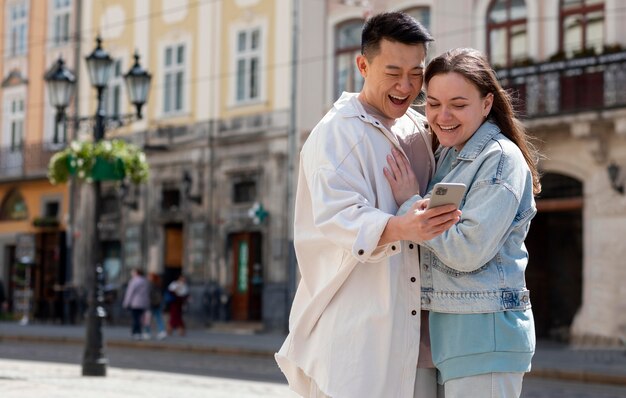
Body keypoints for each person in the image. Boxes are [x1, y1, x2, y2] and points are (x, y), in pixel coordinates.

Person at [275, 11, 461, 398]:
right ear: (363, 64)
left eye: (416, 74)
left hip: (412, 337)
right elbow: (339, 219)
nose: (406, 86)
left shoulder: (416, 127)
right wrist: (402, 226)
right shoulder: (336, 134)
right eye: (393, 73)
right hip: (354, 339)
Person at [385, 48, 541, 398]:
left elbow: (468, 249)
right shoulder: (445, 155)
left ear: (487, 104)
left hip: (485, 337)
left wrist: (411, 202)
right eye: (434, 103)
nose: (443, 116)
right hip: (448, 337)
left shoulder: (500, 159)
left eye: (458, 104)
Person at [122, 268, 150, 340]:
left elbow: (130, 293)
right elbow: (147, 294)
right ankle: (139, 332)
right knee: (140, 318)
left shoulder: (134, 281)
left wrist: (126, 303)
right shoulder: (145, 281)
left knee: (135, 318)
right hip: (143, 303)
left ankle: (136, 332)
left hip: (135, 302)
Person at [144, 272, 167, 340]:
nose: (147, 277)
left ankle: (147, 333)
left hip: (150, 304)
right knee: (158, 318)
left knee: (147, 319)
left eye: (149, 276)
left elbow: (148, 295)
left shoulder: (150, 285)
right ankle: (162, 331)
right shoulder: (159, 284)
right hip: (157, 304)